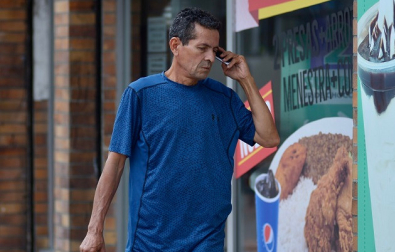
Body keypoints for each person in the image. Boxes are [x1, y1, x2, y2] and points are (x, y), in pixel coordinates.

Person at [79, 7, 279, 252]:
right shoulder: (140, 95)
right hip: (150, 242)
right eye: (201, 48)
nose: (209, 58)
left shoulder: (224, 99)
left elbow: (269, 138)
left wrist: (246, 80)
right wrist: (94, 230)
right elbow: (115, 164)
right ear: (175, 45)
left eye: (214, 51)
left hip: (207, 240)